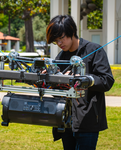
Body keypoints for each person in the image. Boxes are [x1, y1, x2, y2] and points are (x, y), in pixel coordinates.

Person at [46, 15, 114, 150]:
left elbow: (107, 80)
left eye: (61, 38)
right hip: (65, 121)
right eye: (56, 41)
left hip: (88, 120)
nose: (59, 43)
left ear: (72, 32)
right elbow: (58, 91)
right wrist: (50, 79)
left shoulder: (94, 50)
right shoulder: (60, 57)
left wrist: (84, 79)